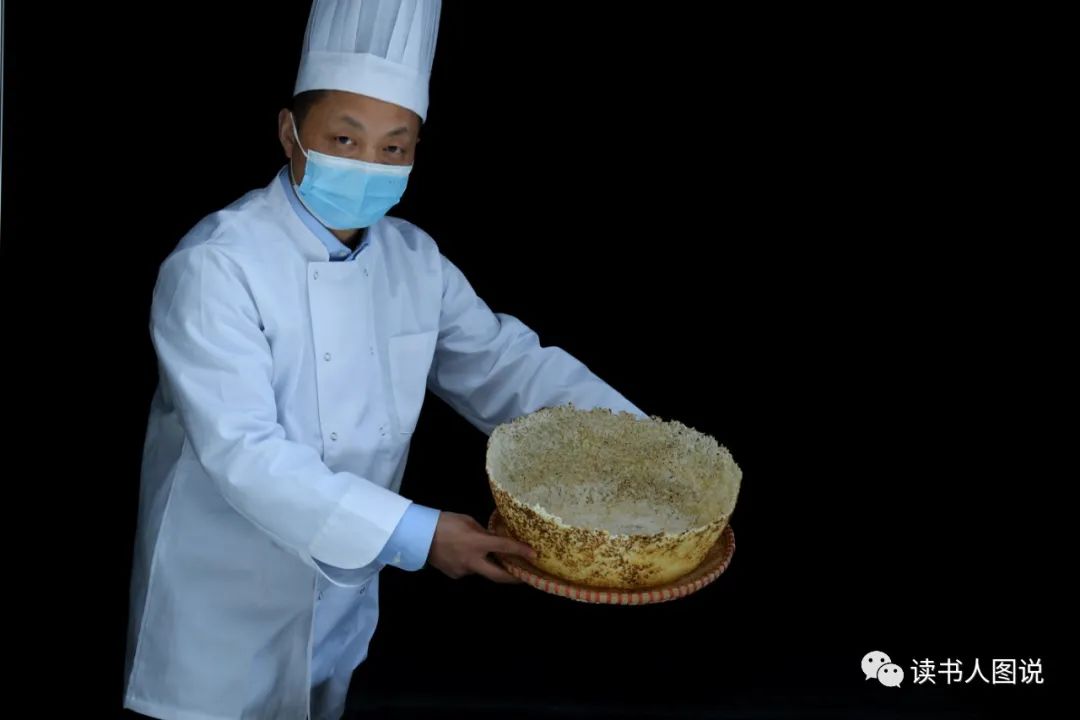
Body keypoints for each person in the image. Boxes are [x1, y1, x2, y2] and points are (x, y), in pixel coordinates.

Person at [122, 1, 644, 718]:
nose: (368, 164)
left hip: (340, 591)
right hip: (221, 597)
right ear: (289, 132)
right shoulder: (217, 265)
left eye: (394, 148)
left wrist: (642, 446)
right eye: (344, 138)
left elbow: (506, 367)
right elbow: (244, 452)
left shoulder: (413, 260)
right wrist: (420, 535)